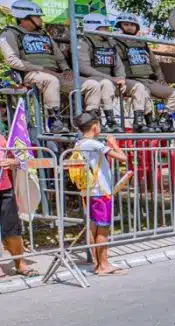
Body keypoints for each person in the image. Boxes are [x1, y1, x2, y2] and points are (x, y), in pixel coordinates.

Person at [0, 1, 100, 133]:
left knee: (92, 84)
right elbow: (12, 60)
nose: (41, 20)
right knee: (50, 80)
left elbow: (59, 57)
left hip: (55, 74)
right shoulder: (9, 33)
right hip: (31, 74)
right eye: (37, 17)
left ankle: (89, 122)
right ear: (25, 17)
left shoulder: (44, 35)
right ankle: (55, 121)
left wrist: (66, 69)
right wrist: (42, 69)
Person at [74, 112, 128, 275]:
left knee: (93, 228)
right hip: (101, 191)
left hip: (89, 191)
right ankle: (103, 265)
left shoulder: (79, 143)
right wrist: (113, 143)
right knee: (103, 229)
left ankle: (98, 264)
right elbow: (123, 158)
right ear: (94, 125)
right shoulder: (94, 144)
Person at [114, 13, 175, 133]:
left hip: (148, 79)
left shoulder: (143, 43)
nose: (129, 27)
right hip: (130, 80)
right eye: (126, 24)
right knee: (142, 91)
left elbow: (155, 65)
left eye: (132, 25)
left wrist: (161, 78)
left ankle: (163, 120)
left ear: (137, 27)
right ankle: (144, 122)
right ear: (119, 26)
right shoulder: (114, 42)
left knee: (174, 94)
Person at [77, 14, 124, 133]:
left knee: (107, 83)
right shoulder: (83, 42)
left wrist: (121, 78)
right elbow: (83, 68)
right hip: (89, 78)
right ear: (94, 27)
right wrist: (111, 78)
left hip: (108, 80)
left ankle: (110, 121)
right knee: (105, 83)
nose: (108, 31)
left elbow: (119, 65)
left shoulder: (110, 43)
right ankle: (94, 120)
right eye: (105, 28)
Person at [0, 147, 34, 277]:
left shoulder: (2, 139)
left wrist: (15, 162)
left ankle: (20, 263)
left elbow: (22, 158)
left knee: (13, 228)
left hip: (5, 189)